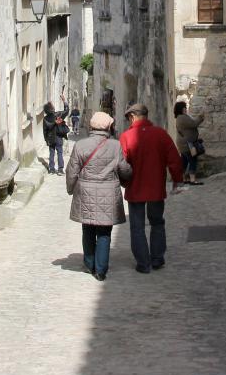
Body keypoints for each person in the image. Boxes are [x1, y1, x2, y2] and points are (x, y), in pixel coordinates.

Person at [65, 112, 132, 281]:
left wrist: (70, 188)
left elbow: (71, 170)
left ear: (91, 126)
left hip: (85, 192)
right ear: (109, 126)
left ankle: (89, 263)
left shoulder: (81, 145)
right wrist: (128, 178)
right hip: (108, 193)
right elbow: (124, 169)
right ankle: (101, 270)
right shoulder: (115, 146)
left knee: (87, 228)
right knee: (104, 232)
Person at [119, 103, 183, 273]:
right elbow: (174, 159)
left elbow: (122, 165)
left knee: (137, 227)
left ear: (133, 116)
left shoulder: (126, 137)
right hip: (156, 188)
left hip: (135, 188)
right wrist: (177, 180)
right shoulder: (160, 134)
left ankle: (143, 262)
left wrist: (124, 182)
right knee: (157, 222)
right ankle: (157, 258)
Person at [174, 101, 205, 185]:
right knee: (193, 160)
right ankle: (192, 179)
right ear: (181, 108)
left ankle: (182, 178)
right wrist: (201, 116)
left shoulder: (179, 117)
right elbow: (194, 124)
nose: (186, 108)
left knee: (184, 161)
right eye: (184, 107)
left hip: (183, 144)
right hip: (188, 144)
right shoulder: (182, 118)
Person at [43, 94, 68, 175]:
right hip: (58, 137)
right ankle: (60, 169)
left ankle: (51, 169)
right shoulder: (58, 115)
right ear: (52, 108)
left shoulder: (45, 119)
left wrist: (46, 140)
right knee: (59, 152)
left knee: (52, 153)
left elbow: (45, 131)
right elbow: (66, 111)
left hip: (50, 138)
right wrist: (64, 101)